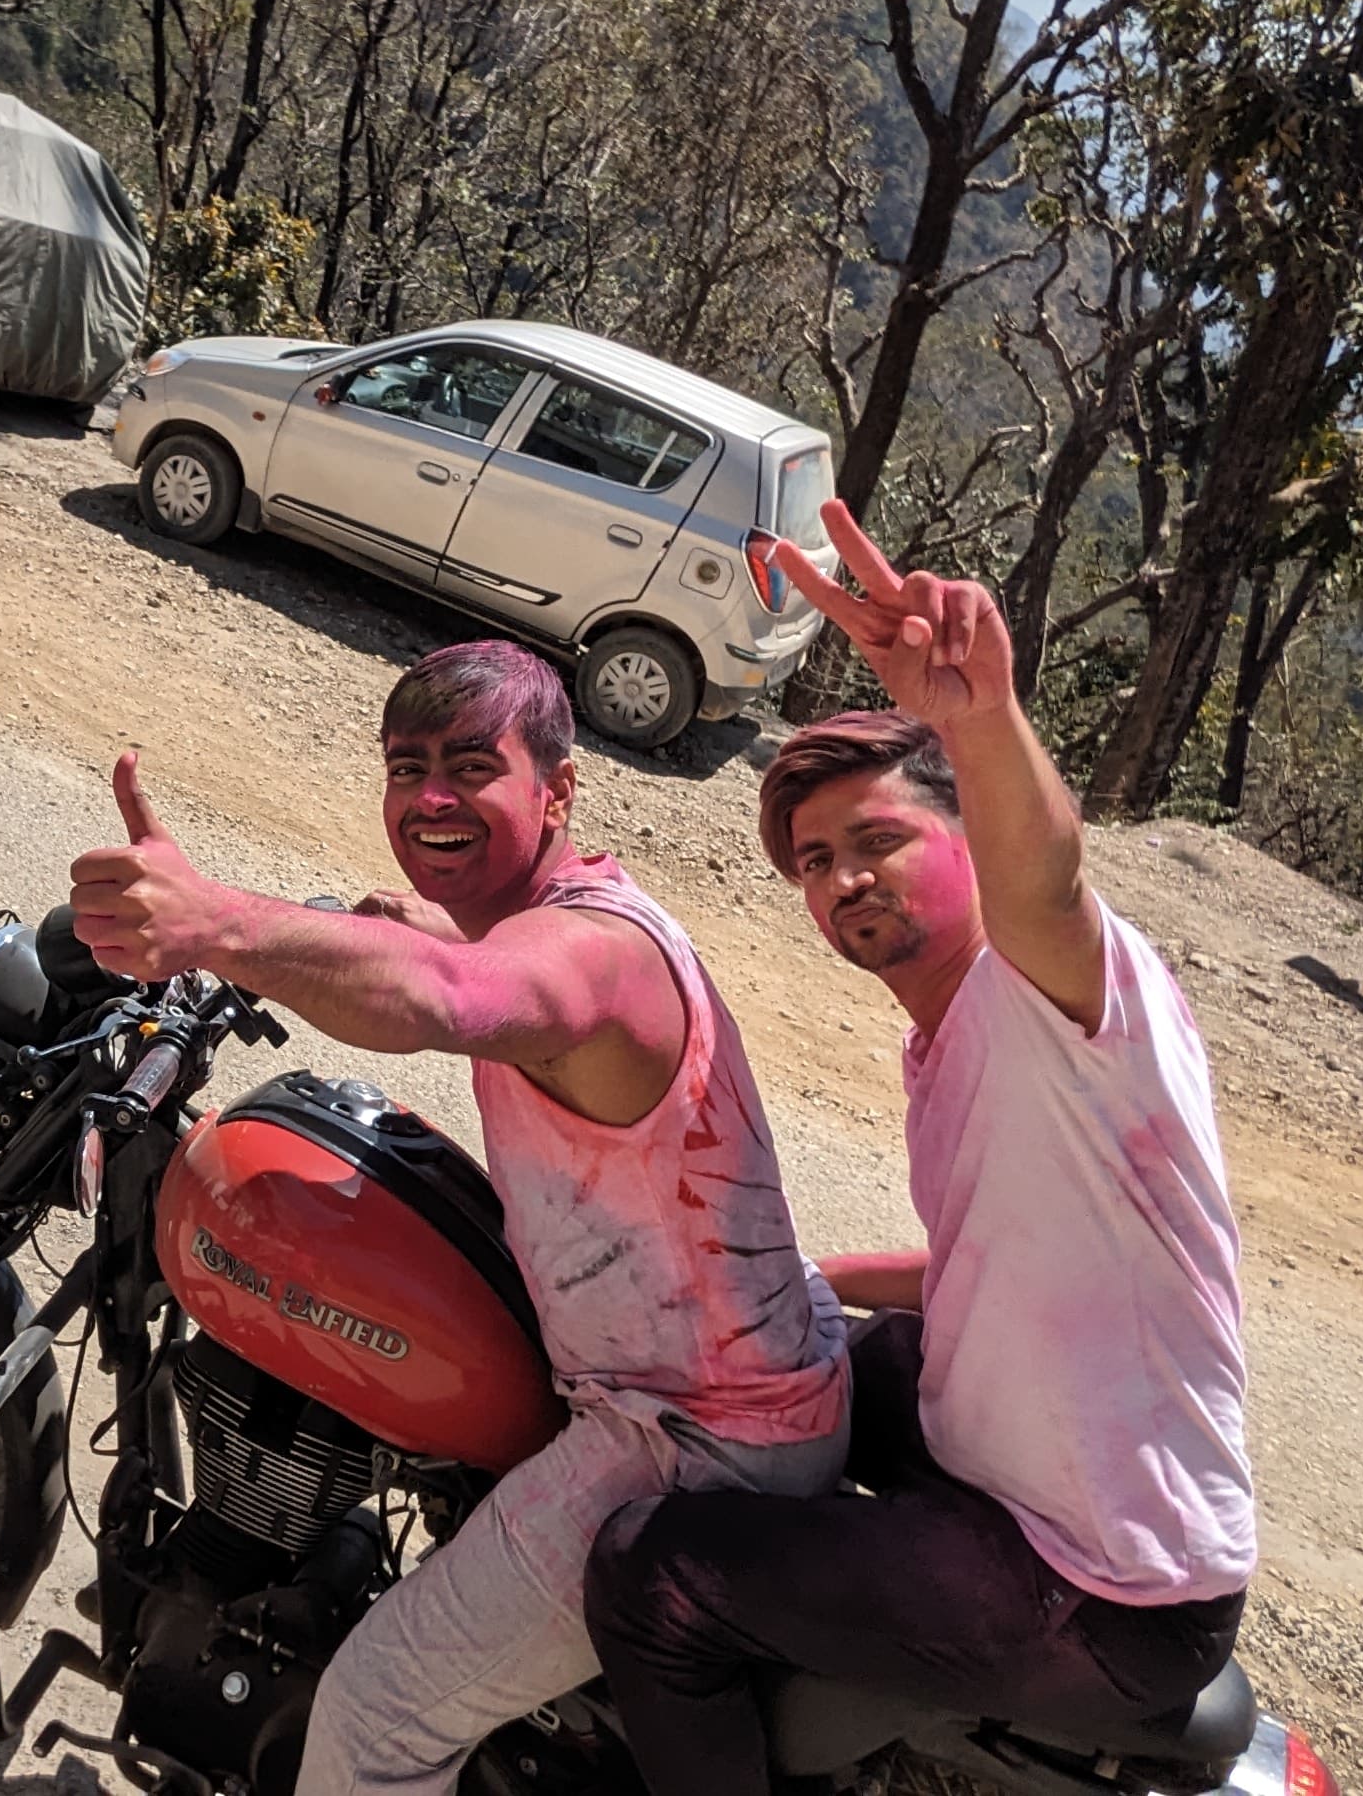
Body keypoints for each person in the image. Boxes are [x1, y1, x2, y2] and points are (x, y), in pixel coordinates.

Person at [67, 640, 851, 1796]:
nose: (431, 797)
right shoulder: (569, 917)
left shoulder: (596, 957)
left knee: (375, 1719)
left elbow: (458, 999)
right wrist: (417, 931)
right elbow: (479, 968)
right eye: (407, 767)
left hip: (690, 1440)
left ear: (559, 789)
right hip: (741, 1381)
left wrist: (219, 926)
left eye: (471, 767)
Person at [581, 502, 1253, 1793]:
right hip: (1026, 1468)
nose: (844, 879)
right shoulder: (943, 1044)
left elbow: (1047, 879)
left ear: (962, 835)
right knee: (797, 1358)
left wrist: (979, 719)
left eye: (881, 839)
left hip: (1099, 1578)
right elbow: (987, 1261)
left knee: (649, 1577)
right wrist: (811, 1282)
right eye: (818, 861)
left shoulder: (1060, 993)